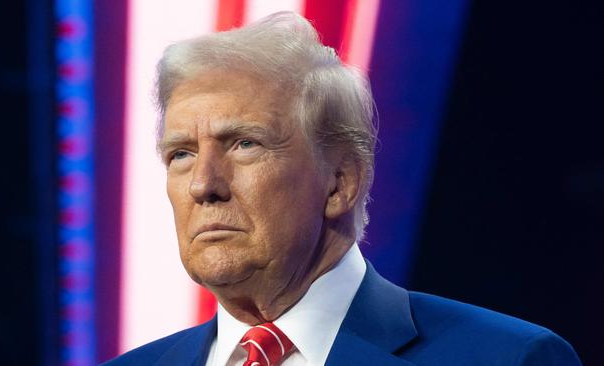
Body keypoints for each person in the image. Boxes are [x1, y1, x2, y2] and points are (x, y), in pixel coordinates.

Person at [105, 11, 581, 366]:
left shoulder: (505, 358)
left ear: (341, 182)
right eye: (181, 155)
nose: (204, 185)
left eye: (245, 144)